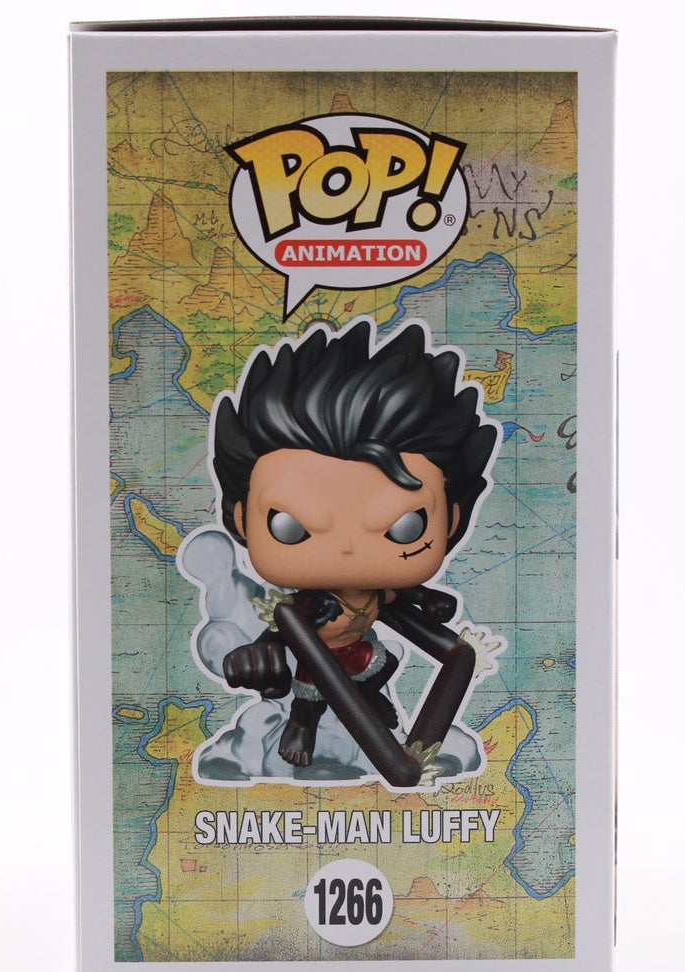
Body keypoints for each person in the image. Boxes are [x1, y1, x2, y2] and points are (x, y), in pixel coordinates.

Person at [210, 317, 499, 787]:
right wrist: (259, 654)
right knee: (310, 695)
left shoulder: (382, 593)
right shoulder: (307, 606)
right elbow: (281, 631)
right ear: (241, 519)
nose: (346, 549)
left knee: (377, 669)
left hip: (360, 651)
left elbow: (439, 640)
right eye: (291, 526)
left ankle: (370, 705)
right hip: (318, 660)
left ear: (452, 519)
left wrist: (427, 600)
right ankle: (302, 724)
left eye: (403, 527)